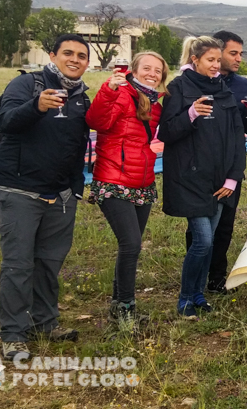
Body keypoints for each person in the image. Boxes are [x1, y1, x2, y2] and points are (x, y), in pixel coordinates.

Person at [0, 33, 92, 359]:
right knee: (18, 265)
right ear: (53, 55)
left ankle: (45, 324)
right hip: (19, 189)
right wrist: (35, 107)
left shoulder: (81, 98)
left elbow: (78, 146)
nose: (75, 59)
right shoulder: (26, 85)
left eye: (81, 55)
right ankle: (13, 335)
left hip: (60, 195)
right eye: (68, 53)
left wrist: (75, 188)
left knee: (49, 263)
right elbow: (6, 122)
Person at [160, 36, 247, 317]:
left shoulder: (223, 90)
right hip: (190, 179)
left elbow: (237, 137)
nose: (215, 66)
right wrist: (192, 113)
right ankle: (186, 297)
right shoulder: (177, 88)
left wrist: (232, 178)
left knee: (208, 244)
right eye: (210, 60)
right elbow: (167, 132)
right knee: (203, 241)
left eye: (217, 61)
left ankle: (198, 295)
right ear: (194, 59)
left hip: (220, 182)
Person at [86, 51, 169, 324]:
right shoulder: (120, 93)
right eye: (147, 68)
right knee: (131, 244)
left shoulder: (156, 103)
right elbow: (97, 122)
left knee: (130, 247)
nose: (152, 74)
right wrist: (107, 90)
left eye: (158, 71)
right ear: (133, 70)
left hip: (142, 180)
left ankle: (117, 304)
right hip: (113, 178)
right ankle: (126, 308)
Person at [184, 30, 247, 294]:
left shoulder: (242, 86)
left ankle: (217, 276)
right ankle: (195, 277)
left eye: (240, 53)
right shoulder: (192, 83)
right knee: (199, 226)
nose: (238, 58)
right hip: (202, 166)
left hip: (231, 166)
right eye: (233, 53)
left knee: (225, 224)